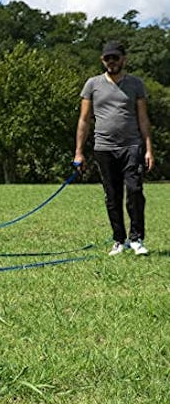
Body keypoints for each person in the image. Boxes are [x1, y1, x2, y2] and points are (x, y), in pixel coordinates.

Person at [74, 40, 154, 256]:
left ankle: (136, 238)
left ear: (123, 59)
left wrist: (148, 149)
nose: (112, 62)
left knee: (135, 192)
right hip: (104, 147)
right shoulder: (92, 84)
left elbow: (143, 119)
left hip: (132, 146)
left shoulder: (136, 84)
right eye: (107, 58)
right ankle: (119, 240)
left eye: (115, 58)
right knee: (112, 195)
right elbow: (84, 120)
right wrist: (79, 153)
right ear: (102, 60)